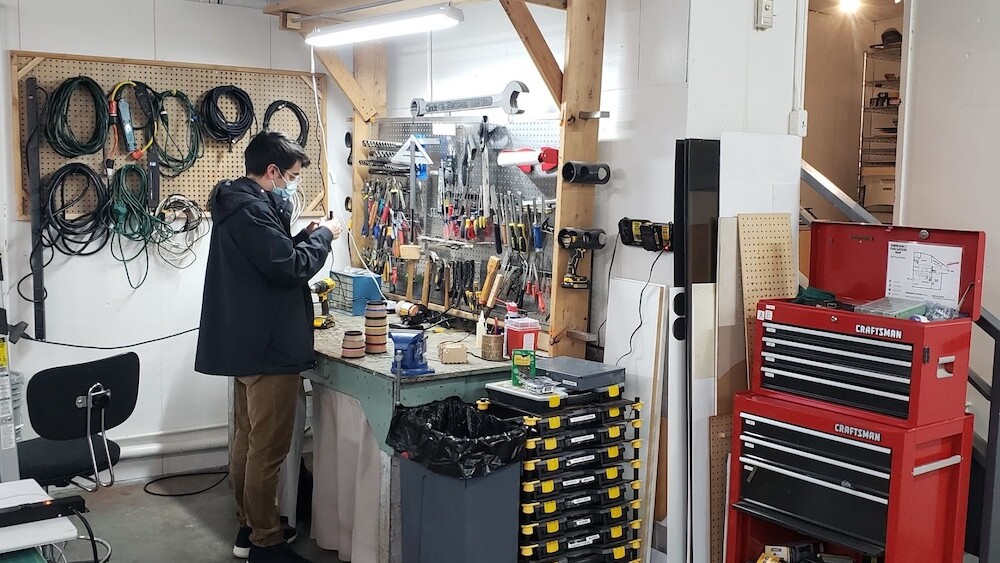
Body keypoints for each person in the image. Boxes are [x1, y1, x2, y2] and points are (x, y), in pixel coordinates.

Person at [195, 131, 341, 563]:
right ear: (272, 171)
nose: (293, 185)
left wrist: (303, 236)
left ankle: (248, 526)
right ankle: (266, 542)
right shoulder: (253, 211)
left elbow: (272, 259)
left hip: (249, 342)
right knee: (269, 451)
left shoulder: (240, 205)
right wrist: (325, 237)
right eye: (293, 177)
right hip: (269, 347)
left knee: (248, 441)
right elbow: (289, 268)